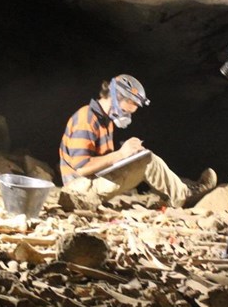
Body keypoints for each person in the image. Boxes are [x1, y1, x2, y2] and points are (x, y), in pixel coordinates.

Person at [59, 74, 217, 208]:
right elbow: (82, 167)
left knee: (143, 156)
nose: (129, 115)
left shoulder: (104, 121)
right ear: (116, 97)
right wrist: (121, 154)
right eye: (128, 109)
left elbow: (101, 163)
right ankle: (184, 195)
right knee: (147, 160)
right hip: (78, 192)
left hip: (89, 185)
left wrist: (128, 156)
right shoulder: (86, 119)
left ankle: (180, 192)